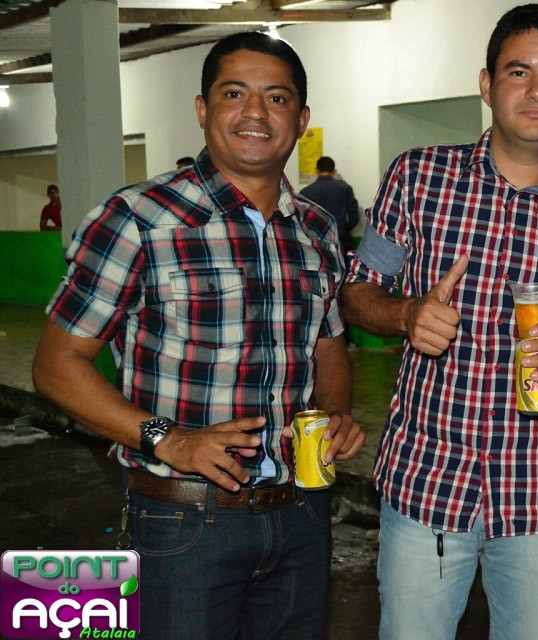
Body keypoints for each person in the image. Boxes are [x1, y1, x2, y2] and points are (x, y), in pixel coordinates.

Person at [32, 31, 364, 639]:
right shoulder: (137, 219)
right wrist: (169, 440)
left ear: (301, 119)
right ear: (203, 109)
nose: (256, 113)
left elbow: (328, 344)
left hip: (301, 514)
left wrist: (336, 412)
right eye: (234, 94)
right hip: (182, 521)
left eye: (277, 98)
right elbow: (57, 364)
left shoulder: (316, 229)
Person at [341, 5, 538, 639]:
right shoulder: (419, 177)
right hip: (427, 485)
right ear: (486, 84)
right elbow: (357, 291)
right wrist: (406, 312)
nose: (537, 91)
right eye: (518, 72)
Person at [300, 155, 360, 253]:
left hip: (316, 241)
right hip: (341, 238)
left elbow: (302, 219)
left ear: (317, 171)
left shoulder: (305, 192)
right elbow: (354, 216)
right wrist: (345, 229)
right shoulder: (345, 188)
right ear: (334, 171)